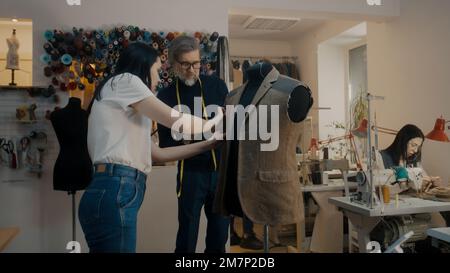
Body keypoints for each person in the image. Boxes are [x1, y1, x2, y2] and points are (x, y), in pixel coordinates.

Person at [78, 42, 223, 253]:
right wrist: (214, 121)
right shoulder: (127, 80)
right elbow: (175, 120)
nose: (157, 79)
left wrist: (209, 144)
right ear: (143, 67)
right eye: (156, 71)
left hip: (112, 187)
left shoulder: (123, 99)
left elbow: (158, 154)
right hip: (116, 187)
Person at [157, 36, 229, 253]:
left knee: (219, 238)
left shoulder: (217, 86)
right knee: (187, 237)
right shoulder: (166, 95)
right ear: (173, 64)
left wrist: (189, 134)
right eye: (185, 64)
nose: (192, 69)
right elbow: (167, 142)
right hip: (189, 173)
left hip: (220, 173)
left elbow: (229, 128)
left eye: (196, 63)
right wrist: (206, 134)